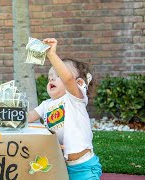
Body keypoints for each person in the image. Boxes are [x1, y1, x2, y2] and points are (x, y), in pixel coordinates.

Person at [28, 38, 102, 179]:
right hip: (62, 166)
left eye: (58, 75)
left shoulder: (74, 99)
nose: (52, 79)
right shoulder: (46, 104)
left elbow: (68, 80)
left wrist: (51, 54)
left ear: (79, 82)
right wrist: (7, 118)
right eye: (50, 77)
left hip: (84, 167)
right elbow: (29, 116)